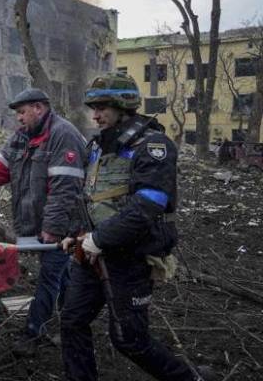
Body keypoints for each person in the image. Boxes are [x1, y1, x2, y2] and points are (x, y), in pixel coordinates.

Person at [59, 73, 212, 381]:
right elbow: (90, 196)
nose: (96, 115)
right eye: (94, 107)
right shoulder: (98, 146)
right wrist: (76, 233)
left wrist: (99, 238)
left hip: (130, 257)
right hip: (92, 253)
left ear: (124, 106)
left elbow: (148, 206)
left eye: (103, 107)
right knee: (72, 321)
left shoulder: (153, 146)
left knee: (129, 340)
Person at [0, 88, 87, 356]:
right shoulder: (23, 137)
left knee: (49, 276)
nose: (19, 119)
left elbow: (64, 189)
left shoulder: (63, 135)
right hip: (36, 222)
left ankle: (33, 332)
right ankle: (72, 317)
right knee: (61, 273)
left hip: (64, 224)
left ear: (39, 108)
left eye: (22, 112)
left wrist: (52, 230)